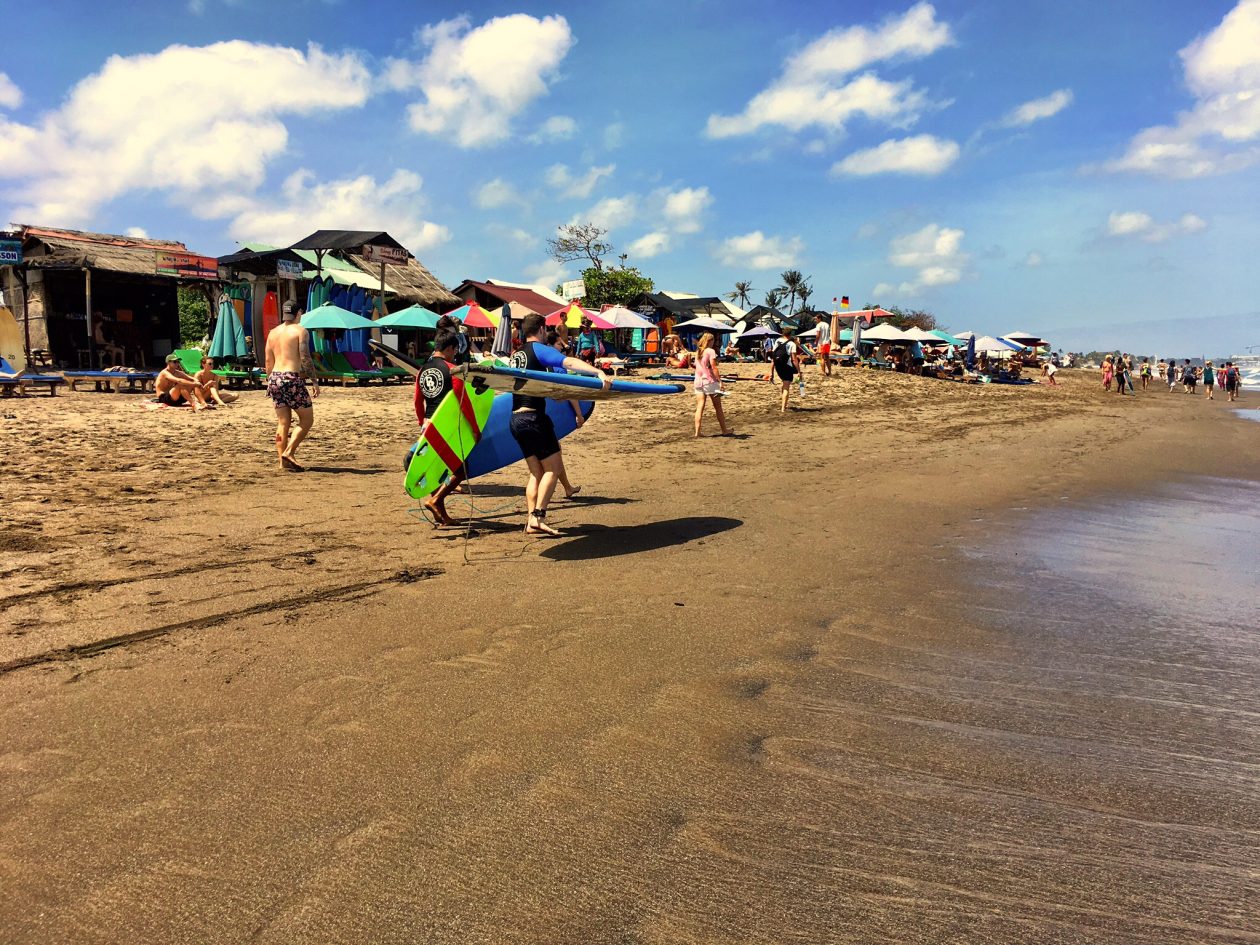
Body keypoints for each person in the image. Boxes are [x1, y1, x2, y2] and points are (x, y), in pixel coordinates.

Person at [509, 314, 609, 536]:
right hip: (534, 419)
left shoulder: (517, 355)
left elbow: (534, 387)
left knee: (536, 473)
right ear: (541, 329)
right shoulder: (538, 349)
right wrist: (598, 372)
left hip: (516, 419)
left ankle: (530, 521)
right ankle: (538, 517)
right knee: (553, 469)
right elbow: (568, 362)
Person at [413, 329, 471, 525]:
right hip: (446, 426)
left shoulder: (423, 370)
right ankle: (436, 500)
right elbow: (463, 402)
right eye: (455, 350)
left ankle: (441, 513)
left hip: (428, 424)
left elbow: (417, 401)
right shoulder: (452, 370)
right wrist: (474, 428)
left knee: (436, 469)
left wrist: (422, 422)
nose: (455, 354)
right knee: (461, 469)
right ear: (449, 349)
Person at [265, 300, 319, 472]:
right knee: (307, 419)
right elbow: (305, 357)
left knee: (283, 422)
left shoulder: (273, 333)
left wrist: (270, 382)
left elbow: (268, 361)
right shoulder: (300, 331)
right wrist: (314, 380)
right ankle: (289, 452)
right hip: (290, 377)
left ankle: (282, 463)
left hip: (274, 378)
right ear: (299, 313)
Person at [546, 330, 585, 500]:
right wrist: (579, 414)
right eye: (558, 344)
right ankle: (540, 503)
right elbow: (568, 390)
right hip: (550, 415)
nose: (561, 348)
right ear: (550, 345)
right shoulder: (557, 363)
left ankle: (567, 487)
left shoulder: (537, 361)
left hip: (535, 413)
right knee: (552, 455)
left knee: (551, 454)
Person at [693, 331, 734, 437]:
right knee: (718, 406)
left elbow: (696, 366)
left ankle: (697, 432)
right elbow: (714, 367)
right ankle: (724, 430)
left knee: (700, 407)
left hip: (698, 381)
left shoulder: (698, 351)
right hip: (709, 381)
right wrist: (720, 381)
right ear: (710, 341)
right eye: (713, 341)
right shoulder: (710, 351)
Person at [769, 327, 800, 412]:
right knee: (786, 386)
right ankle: (783, 408)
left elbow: (773, 357)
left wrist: (771, 372)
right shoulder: (792, 344)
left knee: (784, 384)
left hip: (778, 366)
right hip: (787, 366)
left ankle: (784, 405)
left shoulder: (778, 341)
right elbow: (794, 359)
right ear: (790, 334)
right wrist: (799, 371)